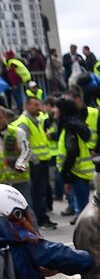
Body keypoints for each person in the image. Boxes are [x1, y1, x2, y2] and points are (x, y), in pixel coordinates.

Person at [8, 95, 55, 228]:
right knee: (36, 193)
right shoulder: (25, 123)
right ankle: (40, 219)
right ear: (27, 106)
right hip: (35, 163)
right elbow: (25, 146)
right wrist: (34, 160)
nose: (39, 107)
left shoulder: (35, 120)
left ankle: (41, 217)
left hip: (41, 161)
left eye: (39, 104)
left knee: (40, 191)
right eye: (35, 105)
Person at [56, 95, 94, 216]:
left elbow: (72, 151)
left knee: (83, 210)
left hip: (75, 171)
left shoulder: (69, 127)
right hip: (81, 171)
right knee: (84, 206)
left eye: (57, 108)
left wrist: (65, 174)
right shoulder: (77, 124)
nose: (54, 111)